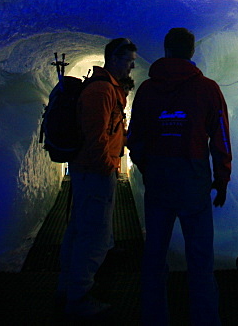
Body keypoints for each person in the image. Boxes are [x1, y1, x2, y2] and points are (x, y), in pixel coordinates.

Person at [128, 28, 232, 326]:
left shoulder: (147, 90)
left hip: (159, 183)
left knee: (154, 256)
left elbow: (134, 138)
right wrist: (222, 179)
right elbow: (221, 138)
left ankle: (154, 317)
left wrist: (149, 168)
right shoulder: (208, 89)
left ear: (166, 50)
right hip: (193, 182)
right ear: (192, 51)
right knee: (200, 259)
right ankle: (205, 319)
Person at [59, 37, 137, 318]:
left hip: (90, 171)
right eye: (128, 61)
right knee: (94, 236)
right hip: (94, 173)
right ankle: (78, 298)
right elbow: (96, 137)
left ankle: (67, 289)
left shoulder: (107, 88)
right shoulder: (101, 91)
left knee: (80, 230)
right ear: (114, 59)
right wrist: (108, 167)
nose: (131, 67)